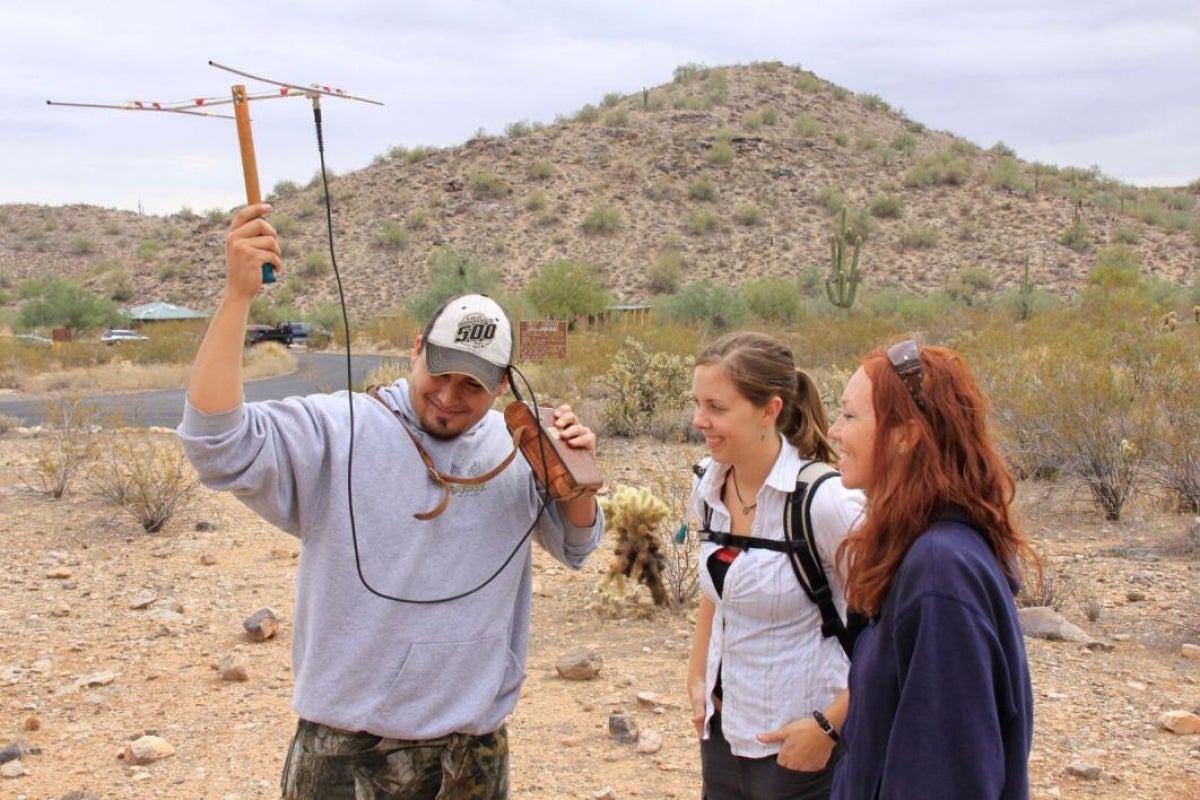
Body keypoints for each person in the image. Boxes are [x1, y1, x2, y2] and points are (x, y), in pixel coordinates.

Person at [177, 204, 604, 800]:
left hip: (474, 753)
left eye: (473, 385)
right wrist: (236, 298)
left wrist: (575, 476)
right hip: (348, 751)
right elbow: (215, 443)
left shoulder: (522, 443)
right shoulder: (339, 428)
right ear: (415, 350)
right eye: (441, 372)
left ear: (503, 385)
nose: (451, 397)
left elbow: (578, 544)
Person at [828, 339, 1039, 800]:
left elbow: (947, 774)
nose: (833, 431)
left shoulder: (940, 571)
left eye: (849, 416)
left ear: (906, 435)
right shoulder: (924, 550)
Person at [686, 332, 865, 800]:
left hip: (799, 742)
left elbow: (892, 633)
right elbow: (718, 587)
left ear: (769, 410)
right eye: (698, 404)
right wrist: (697, 675)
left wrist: (828, 727)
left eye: (716, 408)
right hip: (723, 733)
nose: (698, 420)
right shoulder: (709, 486)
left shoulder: (825, 502)